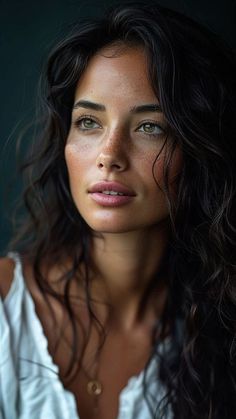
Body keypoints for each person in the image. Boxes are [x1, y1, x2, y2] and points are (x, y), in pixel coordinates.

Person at [0, 1, 235, 418]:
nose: (109, 156)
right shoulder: (5, 308)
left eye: (150, 127)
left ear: (199, 149)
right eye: (89, 122)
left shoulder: (220, 331)